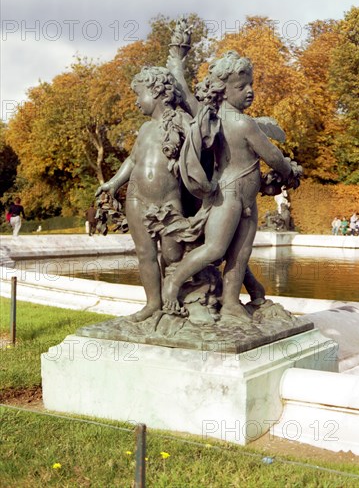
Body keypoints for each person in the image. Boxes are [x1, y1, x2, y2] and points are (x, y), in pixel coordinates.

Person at [162, 51, 300, 319]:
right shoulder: (243, 123)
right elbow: (272, 156)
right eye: (241, 87)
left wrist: (178, 68)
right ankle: (173, 283)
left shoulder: (215, 119)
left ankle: (231, 302)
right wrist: (289, 170)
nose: (249, 91)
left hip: (244, 199)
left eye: (251, 85)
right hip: (229, 196)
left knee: (241, 252)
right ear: (223, 91)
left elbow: (191, 99)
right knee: (216, 249)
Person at [95, 66, 189, 321]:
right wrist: (113, 183)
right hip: (136, 198)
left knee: (173, 255)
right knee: (145, 253)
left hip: (169, 200)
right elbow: (133, 160)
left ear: (157, 91)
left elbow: (200, 153)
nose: (136, 101)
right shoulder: (146, 129)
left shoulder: (182, 121)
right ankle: (152, 304)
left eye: (139, 94)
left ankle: (175, 301)